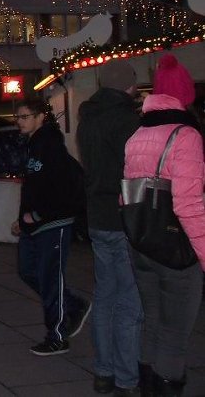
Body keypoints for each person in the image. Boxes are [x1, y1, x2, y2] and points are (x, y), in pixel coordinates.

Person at [123, 54, 205, 396]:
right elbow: (189, 205)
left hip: (141, 242)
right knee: (175, 334)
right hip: (176, 248)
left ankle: (145, 388)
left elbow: (127, 194)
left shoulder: (137, 134)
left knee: (153, 325)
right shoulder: (185, 136)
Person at [76, 60, 143, 395]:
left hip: (98, 217)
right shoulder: (128, 121)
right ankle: (126, 377)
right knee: (129, 302)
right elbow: (134, 169)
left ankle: (103, 372)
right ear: (127, 86)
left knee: (104, 295)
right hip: (123, 217)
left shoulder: (87, 118)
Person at [11, 98, 91, 357]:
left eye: (25, 116)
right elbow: (33, 187)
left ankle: (57, 336)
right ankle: (73, 305)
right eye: (18, 117)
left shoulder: (51, 146)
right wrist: (23, 217)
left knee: (50, 277)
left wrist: (37, 214)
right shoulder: (33, 145)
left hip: (53, 223)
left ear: (40, 117)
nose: (19, 121)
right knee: (27, 271)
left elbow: (60, 189)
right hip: (34, 224)